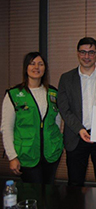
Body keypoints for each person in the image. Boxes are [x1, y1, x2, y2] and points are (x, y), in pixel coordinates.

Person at [58, 37, 96, 188]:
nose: (87, 56)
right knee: (75, 183)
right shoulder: (66, 78)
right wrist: (80, 129)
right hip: (76, 136)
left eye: (91, 52)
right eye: (83, 52)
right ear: (78, 54)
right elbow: (64, 109)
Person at [1, 52, 63, 184]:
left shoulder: (53, 93)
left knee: (49, 192)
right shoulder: (14, 94)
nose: (36, 67)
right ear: (26, 68)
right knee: (32, 194)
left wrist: (57, 142)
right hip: (26, 155)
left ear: (45, 68)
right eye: (32, 63)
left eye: (40, 64)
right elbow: (6, 128)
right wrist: (12, 157)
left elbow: (57, 120)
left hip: (51, 154)